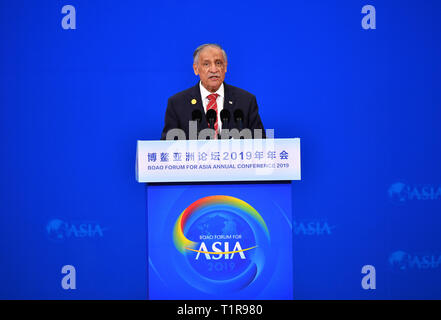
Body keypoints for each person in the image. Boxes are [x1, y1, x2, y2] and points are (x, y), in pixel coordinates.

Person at [160, 43, 265, 140]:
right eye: (206, 64)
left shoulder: (246, 101)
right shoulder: (177, 103)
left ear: (225, 67)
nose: (213, 70)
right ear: (196, 69)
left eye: (218, 63)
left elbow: (261, 142)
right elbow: (168, 146)